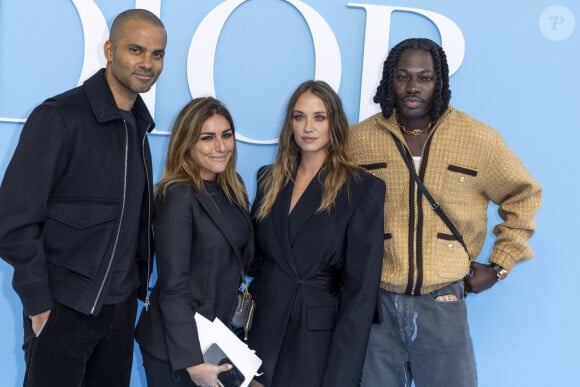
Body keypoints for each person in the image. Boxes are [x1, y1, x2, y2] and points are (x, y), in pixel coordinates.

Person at [349, 37, 542, 387]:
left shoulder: (478, 139)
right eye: (403, 76)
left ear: (440, 83)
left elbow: (524, 195)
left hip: (444, 301)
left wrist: (500, 265)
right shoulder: (359, 140)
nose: (412, 87)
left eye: (425, 78)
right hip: (375, 305)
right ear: (389, 79)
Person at [0, 8, 166, 387]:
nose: (147, 63)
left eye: (157, 55)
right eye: (136, 50)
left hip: (119, 315)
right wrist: (39, 303)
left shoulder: (138, 126)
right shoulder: (60, 117)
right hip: (63, 310)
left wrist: (133, 299)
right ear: (109, 50)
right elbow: (12, 220)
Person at [247, 80, 386, 387]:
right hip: (262, 331)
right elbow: (253, 260)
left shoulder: (362, 189)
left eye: (319, 117)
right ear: (290, 124)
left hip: (317, 344)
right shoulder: (268, 180)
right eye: (299, 117)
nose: (308, 127)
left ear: (334, 123)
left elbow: (361, 294)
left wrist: (341, 376)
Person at [135, 97, 255, 387]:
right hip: (178, 345)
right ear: (186, 143)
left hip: (217, 337)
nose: (221, 146)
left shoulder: (232, 187)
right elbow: (174, 286)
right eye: (207, 138)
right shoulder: (178, 195)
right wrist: (192, 362)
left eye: (226, 135)